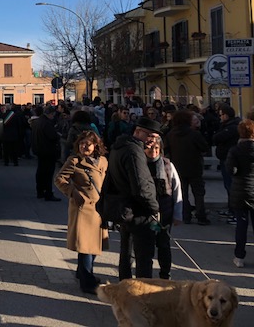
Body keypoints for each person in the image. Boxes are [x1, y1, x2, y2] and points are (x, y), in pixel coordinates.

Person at [106, 116, 160, 280]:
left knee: (126, 254)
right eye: (150, 136)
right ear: (138, 131)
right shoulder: (134, 151)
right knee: (143, 258)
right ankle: (142, 296)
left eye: (156, 138)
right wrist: (154, 208)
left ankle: (125, 291)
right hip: (138, 212)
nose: (152, 141)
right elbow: (141, 186)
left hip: (125, 209)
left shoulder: (119, 147)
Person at [55, 131, 108, 294]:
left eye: (88, 144)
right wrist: (74, 193)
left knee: (96, 245)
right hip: (83, 209)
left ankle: (83, 272)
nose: (85, 146)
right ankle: (87, 282)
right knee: (86, 246)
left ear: (96, 146)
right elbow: (59, 179)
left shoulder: (103, 161)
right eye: (82, 143)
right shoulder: (75, 161)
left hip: (99, 209)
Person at [144, 137, 183, 279]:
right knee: (146, 247)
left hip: (164, 212)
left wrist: (177, 214)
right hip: (146, 213)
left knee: (164, 244)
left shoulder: (167, 165)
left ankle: (165, 274)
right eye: (150, 148)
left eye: (156, 149)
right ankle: (146, 275)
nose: (153, 152)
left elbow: (176, 190)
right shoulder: (140, 164)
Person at [165, 110, 211, 225]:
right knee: (199, 193)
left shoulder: (170, 134)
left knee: (182, 193)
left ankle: (186, 216)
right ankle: (201, 216)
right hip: (194, 166)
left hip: (177, 167)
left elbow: (166, 150)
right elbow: (205, 147)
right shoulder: (194, 134)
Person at [226, 119, 254, 268]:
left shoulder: (235, 150)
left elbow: (231, 170)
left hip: (239, 191)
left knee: (241, 226)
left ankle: (239, 257)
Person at [214, 105, 241, 224]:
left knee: (231, 186)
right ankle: (231, 210)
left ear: (226, 115)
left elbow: (216, 138)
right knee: (228, 186)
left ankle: (235, 213)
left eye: (221, 115)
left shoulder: (232, 127)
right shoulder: (227, 125)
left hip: (229, 159)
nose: (220, 117)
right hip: (225, 158)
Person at [31, 105, 61, 201]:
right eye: (53, 115)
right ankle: (48, 193)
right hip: (47, 150)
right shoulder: (47, 123)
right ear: (51, 114)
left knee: (41, 171)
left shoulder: (38, 122)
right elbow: (52, 136)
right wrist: (57, 135)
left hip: (39, 150)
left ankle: (40, 191)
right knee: (48, 173)